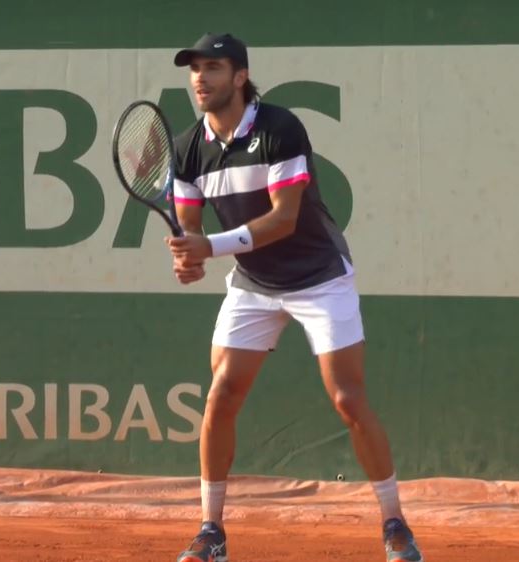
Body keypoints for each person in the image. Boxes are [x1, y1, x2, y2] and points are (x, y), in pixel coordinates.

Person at [166, 32, 424, 562]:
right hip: (253, 283)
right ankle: (211, 531)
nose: (200, 79)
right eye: (194, 69)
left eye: (213, 68)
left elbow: (283, 220)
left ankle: (394, 522)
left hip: (318, 275)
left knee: (347, 398)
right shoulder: (188, 147)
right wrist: (189, 256)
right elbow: (189, 226)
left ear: (240, 77)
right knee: (220, 395)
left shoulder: (280, 129)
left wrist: (209, 246)